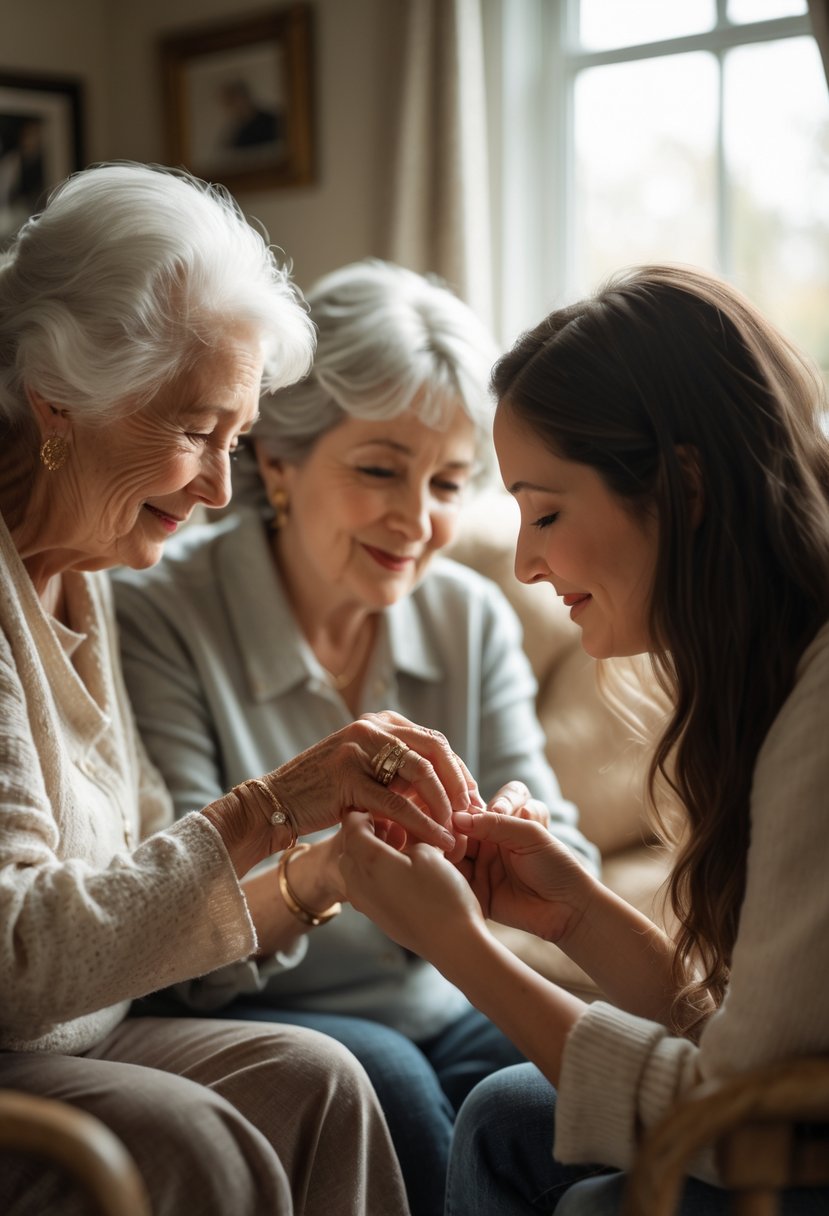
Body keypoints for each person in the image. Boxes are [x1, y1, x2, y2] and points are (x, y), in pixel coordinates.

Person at [0, 163, 476, 1216]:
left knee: (324, 1084)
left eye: (235, 436)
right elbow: (19, 959)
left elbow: (136, 887)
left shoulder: (90, 570)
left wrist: (322, 871)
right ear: (60, 401)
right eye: (193, 432)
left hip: (88, 1029)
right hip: (25, 1039)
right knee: (200, 1141)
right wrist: (275, 807)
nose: (221, 487)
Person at [112, 257, 600, 1216]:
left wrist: (503, 835)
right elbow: (176, 909)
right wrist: (329, 873)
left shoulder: (470, 616)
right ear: (281, 460)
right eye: (380, 468)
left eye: (450, 483)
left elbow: (566, 848)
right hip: (268, 1015)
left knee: (562, 1085)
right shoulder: (160, 615)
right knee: (391, 1083)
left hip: (441, 1003)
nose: (417, 521)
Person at [337, 264, 829, 1215]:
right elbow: (759, 1040)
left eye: (547, 512)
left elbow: (742, 1115)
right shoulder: (770, 676)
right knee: (509, 1112)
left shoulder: (817, 716)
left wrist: (459, 949)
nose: (523, 562)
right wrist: (577, 916)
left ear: (682, 486)